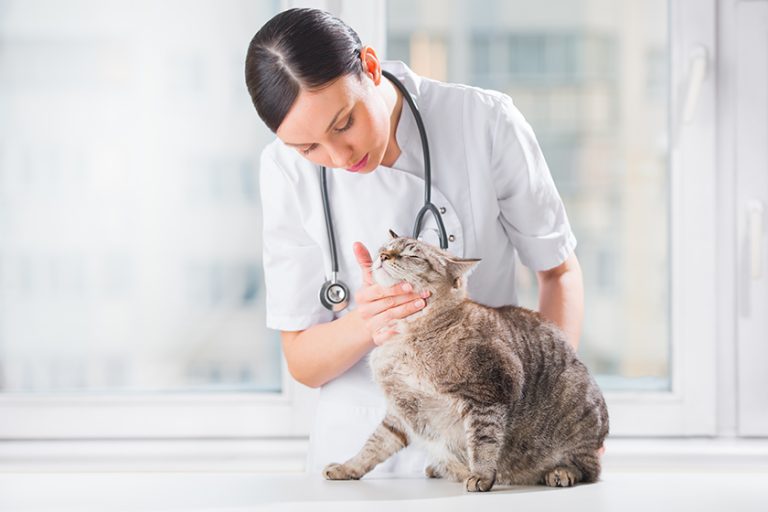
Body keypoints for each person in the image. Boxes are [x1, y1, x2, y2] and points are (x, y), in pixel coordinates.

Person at [245, 7, 585, 477]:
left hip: (490, 448)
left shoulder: (482, 122)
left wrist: (555, 415)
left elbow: (558, 271)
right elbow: (302, 360)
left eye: (344, 123)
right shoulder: (283, 171)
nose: (339, 157)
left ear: (368, 65)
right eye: (310, 149)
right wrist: (368, 320)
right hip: (361, 463)